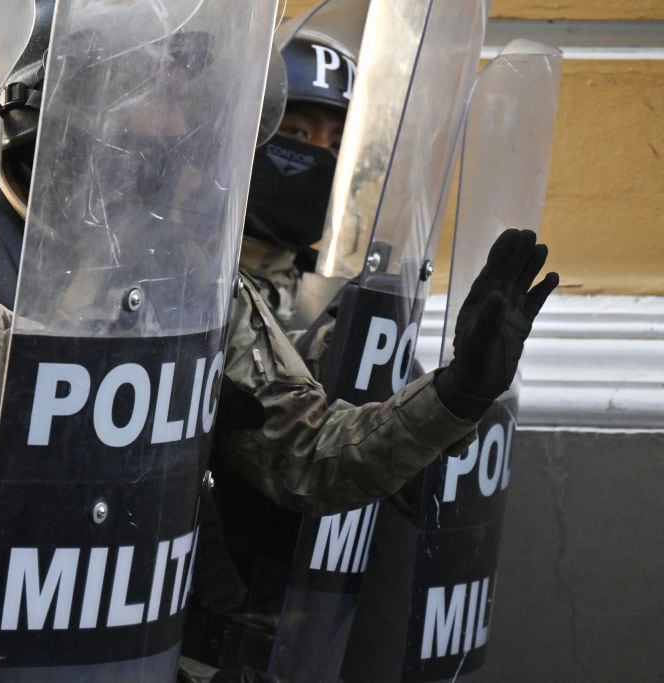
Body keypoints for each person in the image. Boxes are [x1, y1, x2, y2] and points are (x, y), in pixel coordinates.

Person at [177, 29, 559, 680]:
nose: (316, 156)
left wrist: (458, 396)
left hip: (290, 654)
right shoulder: (182, 281)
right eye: (295, 134)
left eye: (338, 144)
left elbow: (411, 477)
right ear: (247, 137)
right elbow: (314, 457)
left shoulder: (330, 310)